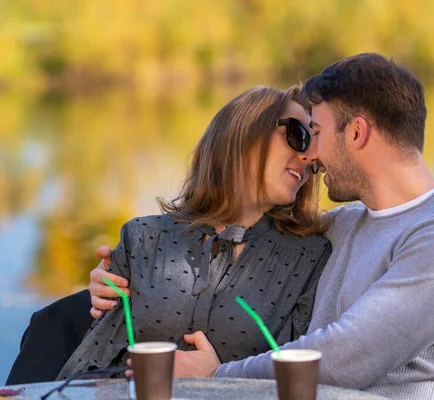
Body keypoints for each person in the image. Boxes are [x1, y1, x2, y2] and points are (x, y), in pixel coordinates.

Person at [90, 53, 434, 399]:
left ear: (357, 133)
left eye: (317, 133)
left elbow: (346, 358)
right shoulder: (346, 225)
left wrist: (221, 379)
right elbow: (236, 235)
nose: (311, 156)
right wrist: (120, 277)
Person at [51, 85, 332, 381]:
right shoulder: (143, 238)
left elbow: (295, 381)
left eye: (316, 150)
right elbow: (89, 368)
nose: (311, 156)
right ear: (245, 132)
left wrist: (220, 378)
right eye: (298, 136)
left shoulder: (310, 257)